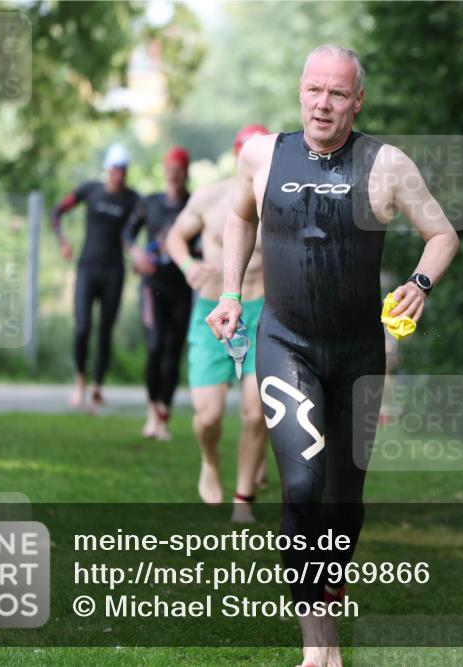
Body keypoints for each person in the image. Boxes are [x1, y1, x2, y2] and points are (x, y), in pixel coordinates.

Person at [206, 45, 459, 667]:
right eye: (314, 90)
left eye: (338, 94)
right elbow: (241, 215)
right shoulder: (263, 154)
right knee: (301, 483)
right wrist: (232, 292)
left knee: (345, 503)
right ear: (300, 91)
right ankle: (319, 649)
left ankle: (329, 581)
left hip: (357, 354)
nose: (323, 103)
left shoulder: (386, 164)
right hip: (285, 343)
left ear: (358, 100)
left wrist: (419, 285)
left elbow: (443, 233)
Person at [165, 125, 272, 523]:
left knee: (256, 411)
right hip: (212, 310)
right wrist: (189, 264)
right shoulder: (211, 197)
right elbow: (175, 236)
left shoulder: (280, 200)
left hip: (262, 309)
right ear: (238, 155)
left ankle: (243, 498)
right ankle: (209, 462)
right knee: (208, 416)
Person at [51, 142, 140, 412]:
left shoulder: (133, 199)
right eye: (115, 169)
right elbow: (56, 212)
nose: (119, 174)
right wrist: (63, 241)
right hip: (87, 269)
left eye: (123, 170)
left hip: (114, 272)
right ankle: (80, 382)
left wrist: (137, 253)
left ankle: (98, 388)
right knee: (82, 328)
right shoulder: (90, 190)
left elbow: (138, 229)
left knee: (105, 332)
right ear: (107, 169)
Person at [122, 146, 193, 440]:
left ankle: (164, 414)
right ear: (165, 172)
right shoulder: (148, 203)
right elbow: (127, 233)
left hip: (181, 288)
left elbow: (203, 243)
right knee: (154, 348)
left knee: (173, 353)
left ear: (185, 173)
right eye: (170, 171)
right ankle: (152, 412)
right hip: (153, 287)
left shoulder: (193, 204)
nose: (174, 176)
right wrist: (137, 253)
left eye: (179, 171)